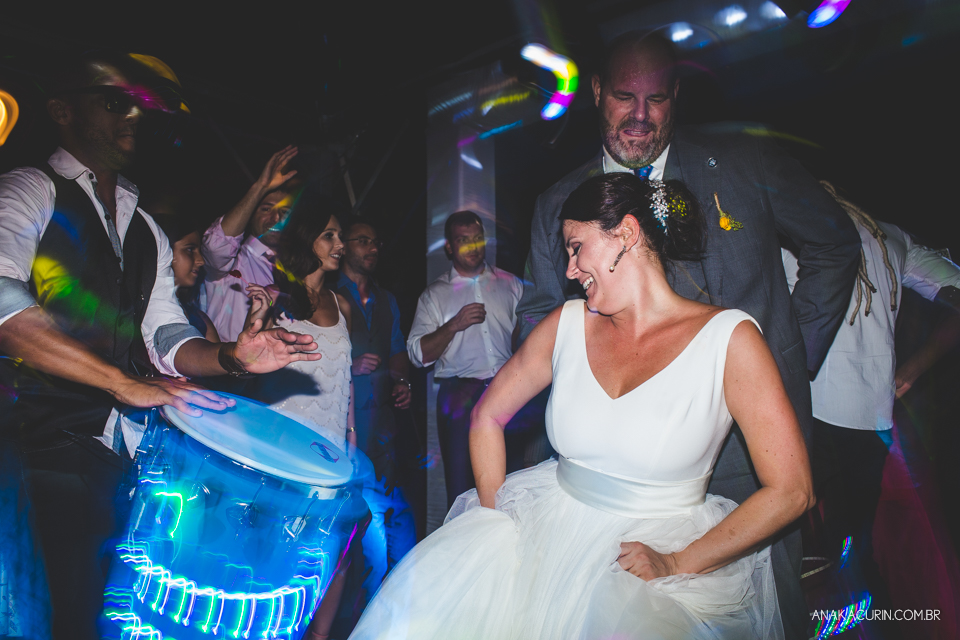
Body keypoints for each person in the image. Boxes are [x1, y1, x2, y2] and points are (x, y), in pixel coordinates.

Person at [350, 174, 813, 640]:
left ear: (626, 234)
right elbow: (486, 416)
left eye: (576, 247)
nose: (570, 270)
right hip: (546, 535)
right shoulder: (566, 324)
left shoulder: (729, 340)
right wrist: (498, 527)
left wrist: (676, 561)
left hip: (658, 555)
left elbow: (791, 490)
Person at [514, 32, 860, 637]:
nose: (641, 116)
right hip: (627, 468)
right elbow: (537, 313)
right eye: (625, 97)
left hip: (751, 461)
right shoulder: (556, 204)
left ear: (677, 96)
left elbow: (834, 244)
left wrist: (787, 357)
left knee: (759, 615)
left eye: (657, 99)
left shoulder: (747, 163)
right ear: (596, 92)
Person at [0, 52, 321, 640]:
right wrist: (124, 383)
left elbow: (166, 336)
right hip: (32, 448)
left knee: (101, 613)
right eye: (112, 101)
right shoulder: (29, 189)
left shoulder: (143, 224)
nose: (131, 115)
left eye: (137, 106)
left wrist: (230, 357)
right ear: (62, 111)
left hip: (114, 455)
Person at [781, 182, 960, 612]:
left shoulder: (788, 229)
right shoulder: (891, 237)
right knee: (854, 545)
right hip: (872, 418)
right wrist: (913, 371)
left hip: (808, 408)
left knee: (785, 548)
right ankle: (864, 614)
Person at [242, 201, 359, 640]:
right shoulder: (275, 300)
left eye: (340, 236)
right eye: (329, 235)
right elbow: (252, 371)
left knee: (331, 554)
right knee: (277, 555)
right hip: (281, 447)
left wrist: (351, 446)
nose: (340, 245)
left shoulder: (341, 303)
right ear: (306, 240)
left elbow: (346, 384)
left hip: (329, 450)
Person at [407, 211, 523, 508]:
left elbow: (527, 339)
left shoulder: (511, 284)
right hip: (460, 396)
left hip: (508, 389)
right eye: (463, 240)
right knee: (462, 488)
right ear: (449, 247)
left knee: (517, 481)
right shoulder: (434, 295)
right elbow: (418, 354)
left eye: (477, 239)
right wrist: (454, 324)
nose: (472, 247)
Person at [335, 218, 417, 602]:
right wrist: (349, 367)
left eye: (376, 241)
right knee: (352, 522)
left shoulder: (386, 300)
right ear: (343, 245)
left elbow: (398, 349)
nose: (372, 248)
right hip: (342, 421)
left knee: (390, 517)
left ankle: (390, 604)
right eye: (362, 240)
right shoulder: (330, 294)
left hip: (381, 425)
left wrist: (401, 382)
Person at [201, 145, 299, 342]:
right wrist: (260, 187)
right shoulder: (233, 262)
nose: (275, 218)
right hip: (226, 368)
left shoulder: (293, 268)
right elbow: (215, 246)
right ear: (251, 214)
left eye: (284, 212)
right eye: (266, 209)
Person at [154, 213, 219, 341]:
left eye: (199, 251)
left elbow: (220, 358)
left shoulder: (199, 318)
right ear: (164, 251)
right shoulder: (138, 312)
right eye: (190, 250)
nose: (201, 261)